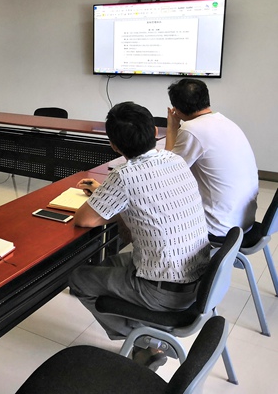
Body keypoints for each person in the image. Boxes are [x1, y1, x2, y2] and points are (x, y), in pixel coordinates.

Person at [68, 102, 210, 371]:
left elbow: (84, 220)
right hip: (198, 281)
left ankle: (145, 341)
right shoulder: (175, 160)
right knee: (107, 264)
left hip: (163, 292)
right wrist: (108, 195)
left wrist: (107, 196)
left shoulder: (125, 176)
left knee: (79, 278)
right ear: (154, 131)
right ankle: (145, 331)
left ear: (114, 146)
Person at [166, 78, 258, 238]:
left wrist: (172, 126)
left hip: (219, 227)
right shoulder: (226, 121)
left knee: (157, 204)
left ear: (177, 109)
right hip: (244, 221)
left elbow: (166, 172)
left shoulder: (191, 129)